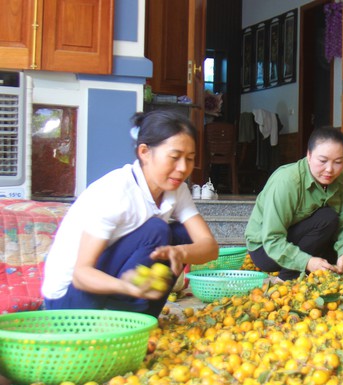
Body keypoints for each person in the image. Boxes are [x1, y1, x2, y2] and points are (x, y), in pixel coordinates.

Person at [42, 110, 219, 317]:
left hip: (107, 286)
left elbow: (210, 247)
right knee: (156, 230)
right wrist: (126, 287)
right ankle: (123, 315)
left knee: (181, 236)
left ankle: (143, 319)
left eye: (189, 159)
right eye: (174, 157)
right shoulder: (116, 192)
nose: (182, 168)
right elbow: (81, 275)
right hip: (69, 301)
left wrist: (180, 253)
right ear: (144, 152)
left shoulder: (176, 189)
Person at [245, 126, 343, 281]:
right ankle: (287, 278)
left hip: (308, 239)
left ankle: (310, 267)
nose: (330, 169)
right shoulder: (287, 181)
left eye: (338, 162)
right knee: (327, 218)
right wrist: (307, 262)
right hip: (266, 249)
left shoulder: (342, 180)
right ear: (309, 155)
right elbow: (272, 238)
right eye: (323, 161)